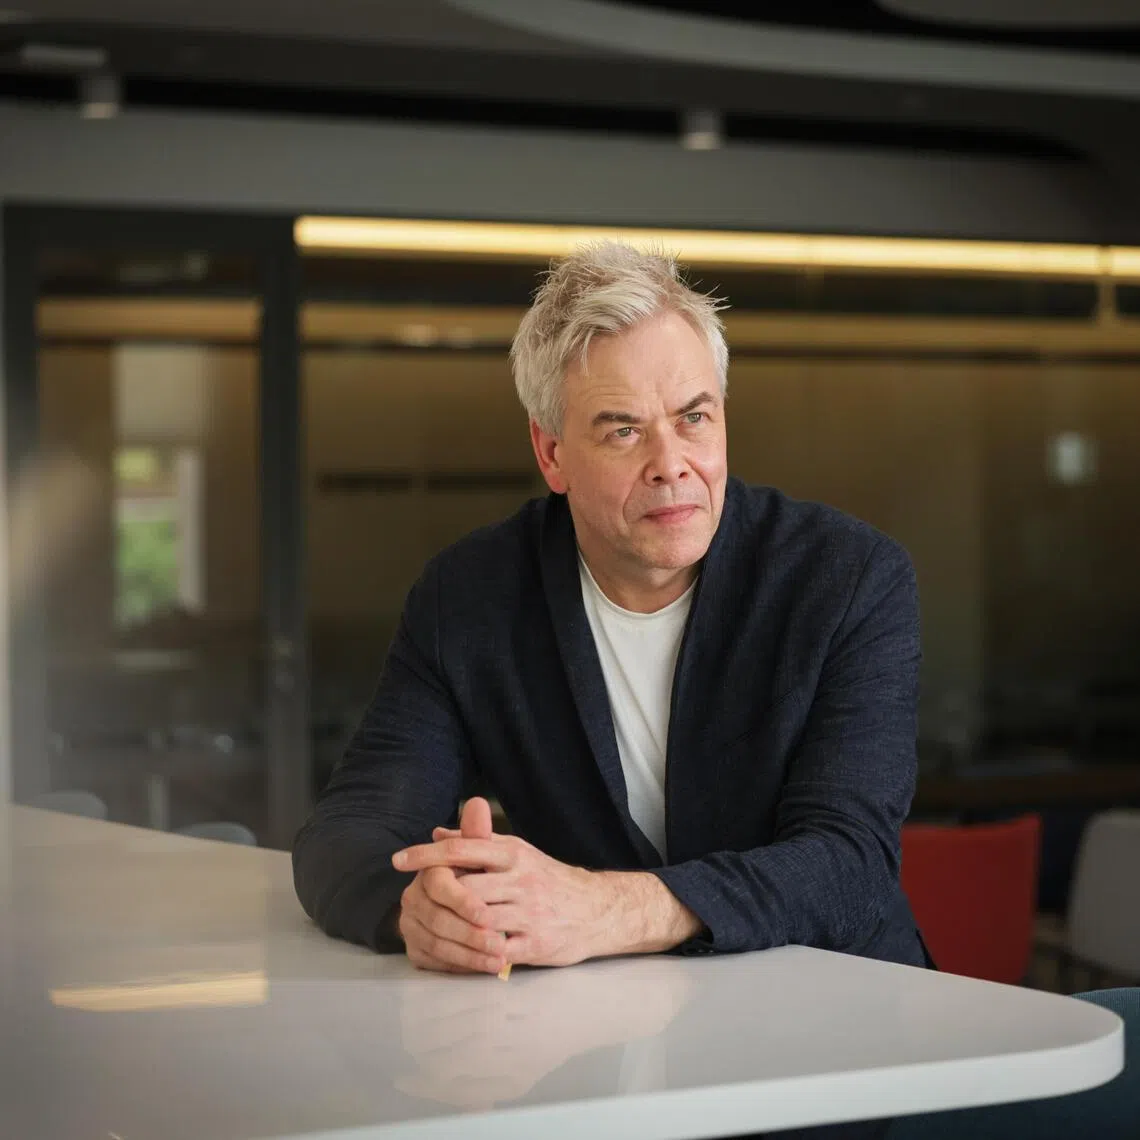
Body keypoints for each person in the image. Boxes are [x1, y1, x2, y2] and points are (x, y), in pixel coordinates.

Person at [293, 240, 932, 981]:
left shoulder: (849, 580)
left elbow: (849, 862)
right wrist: (419, 910)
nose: (671, 463)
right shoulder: (470, 598)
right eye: (623, 429)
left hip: (838, 1010)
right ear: (552, 454)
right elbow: (351, 830)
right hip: (604, 1023)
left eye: (694, 418)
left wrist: (605, 908)